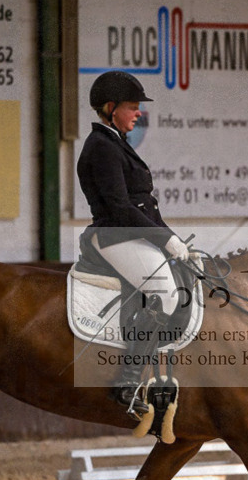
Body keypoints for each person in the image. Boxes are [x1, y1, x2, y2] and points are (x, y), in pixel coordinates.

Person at [77, 70, 190, 408]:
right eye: (132, 106)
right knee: (165, 295)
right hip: (113, 235)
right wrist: (164, 239)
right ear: (110, 107)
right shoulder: (101, 146)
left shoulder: (116, 144)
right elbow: (120, 207)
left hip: (128, 234)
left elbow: (144, 204)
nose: (139, 112)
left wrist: (173, 240)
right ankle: (127, 381)